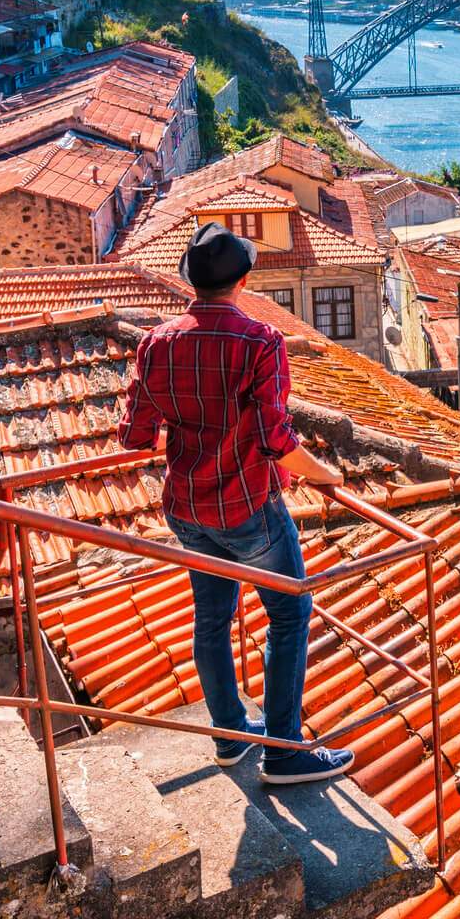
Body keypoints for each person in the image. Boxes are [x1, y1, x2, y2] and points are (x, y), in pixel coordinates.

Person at [117, 221, 355, 786]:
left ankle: (230, 736)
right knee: (290, 614)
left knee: (212, 619)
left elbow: (136, 436)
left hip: (186, 507)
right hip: (247, 506)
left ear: (189, 281)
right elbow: (277, 440)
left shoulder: (156, 343)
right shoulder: (260, 342)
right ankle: (282, 751)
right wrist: (327, 476)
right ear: (245, 280)